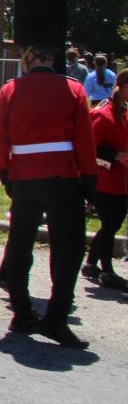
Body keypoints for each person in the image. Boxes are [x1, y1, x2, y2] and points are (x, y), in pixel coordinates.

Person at [0, 0, 95, 349]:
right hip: (63, 179)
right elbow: (85, 142)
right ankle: (55, 319)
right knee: (68, 249)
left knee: (20, 245)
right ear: (54, 56)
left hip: (23, 180)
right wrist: (90, 181)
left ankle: (21, 312)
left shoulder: (9, 90)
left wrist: (7, 177)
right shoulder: (74, 90)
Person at [83, 71, 128, 292]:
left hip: (122, 181)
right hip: (105, 182)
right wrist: (116, 156)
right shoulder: (102, 114)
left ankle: (91, 263)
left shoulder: (123, 113)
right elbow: (90, 150)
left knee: (112, 224)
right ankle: (107, 271)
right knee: (110, 224)